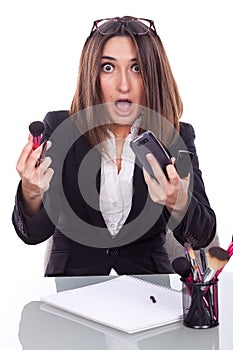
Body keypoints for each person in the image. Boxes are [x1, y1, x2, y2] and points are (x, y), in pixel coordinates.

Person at [12, 16, 216, 276]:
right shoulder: (60, 128)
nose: (123, 85)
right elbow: (32, 234)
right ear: (91, 74)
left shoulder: (175, 135)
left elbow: (202, 236)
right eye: (108, 68)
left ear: (153, 75)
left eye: (137, 68)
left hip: (147, 288)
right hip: (73, 288)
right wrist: (31, 191)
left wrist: (177, 201)